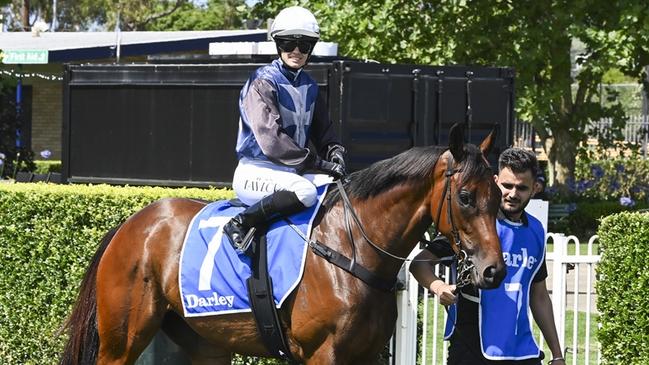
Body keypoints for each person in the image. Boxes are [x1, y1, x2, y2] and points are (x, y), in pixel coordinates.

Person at [410, 148, 565, 365]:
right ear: (494, 181)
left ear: (535, 189)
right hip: (471, 345)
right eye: (507, 185)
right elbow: (419, 264)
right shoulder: (473, 224)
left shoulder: (536, 231)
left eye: (522, 188)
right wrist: (438, 287)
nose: (513, 193)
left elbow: (538, 296)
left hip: (521, 348)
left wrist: (557, 354)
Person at [223, 6, 346, 253]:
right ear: (278, 44)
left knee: (338, 191)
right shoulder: (262, 81)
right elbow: (272, 141)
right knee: (305, 192)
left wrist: (335, 153)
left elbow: (325, 133)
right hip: (256, 172)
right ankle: (240, 222)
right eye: (289, 43)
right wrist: (319, 164)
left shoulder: (310, 85)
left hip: (290, 173)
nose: (297, 51)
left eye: (305, 45)